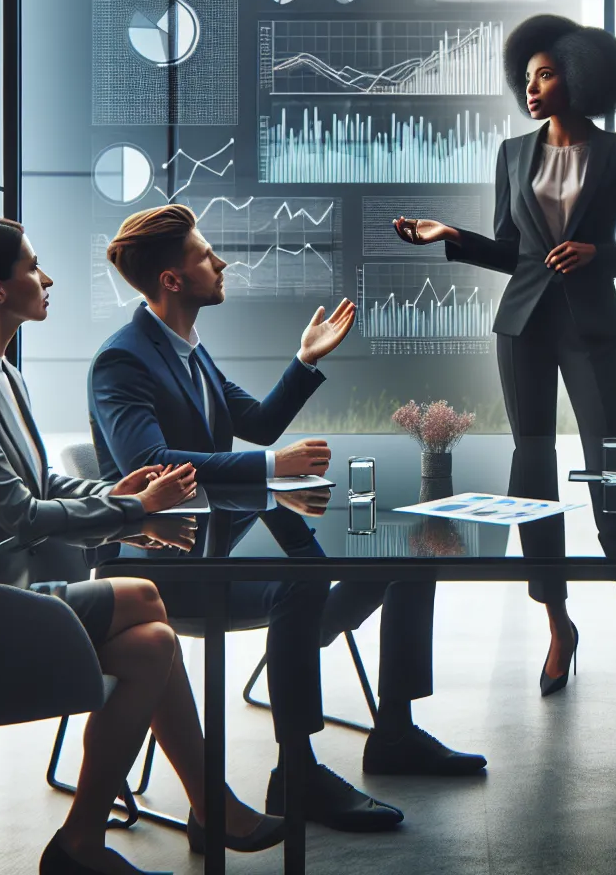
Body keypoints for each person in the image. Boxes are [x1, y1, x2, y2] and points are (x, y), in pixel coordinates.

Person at [0, 217, 282, 875]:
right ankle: (205, 807)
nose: (46, 278)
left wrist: (116, 494)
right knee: (147, 594)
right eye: (32, 266)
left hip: (5, 595)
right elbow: (21, 514)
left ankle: (84, 841)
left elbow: (39, 481)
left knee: (153, 644)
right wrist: (134, 512)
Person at [88, 204, 484, 817]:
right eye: (204, 255)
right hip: (163, 566)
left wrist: (306, 361)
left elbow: (260, 422)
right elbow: (154, 463)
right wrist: (274, 470)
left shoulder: (188, 350)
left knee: (409, 548)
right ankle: (296, 773)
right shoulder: (124, 360)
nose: (220, 262)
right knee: (299, 583)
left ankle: (395, 730)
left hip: (219, 536)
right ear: (172, 280)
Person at [391, 13, 616, 698]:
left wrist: (596, 254)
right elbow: (511, 252)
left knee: (613, 470)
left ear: (581, 78)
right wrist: (452, 235)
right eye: (526, 78)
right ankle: (558, 625)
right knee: (532, 476)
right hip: (522, 326)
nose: (531, 88)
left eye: (546, 75)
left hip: (588, 327)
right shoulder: (512, 154)